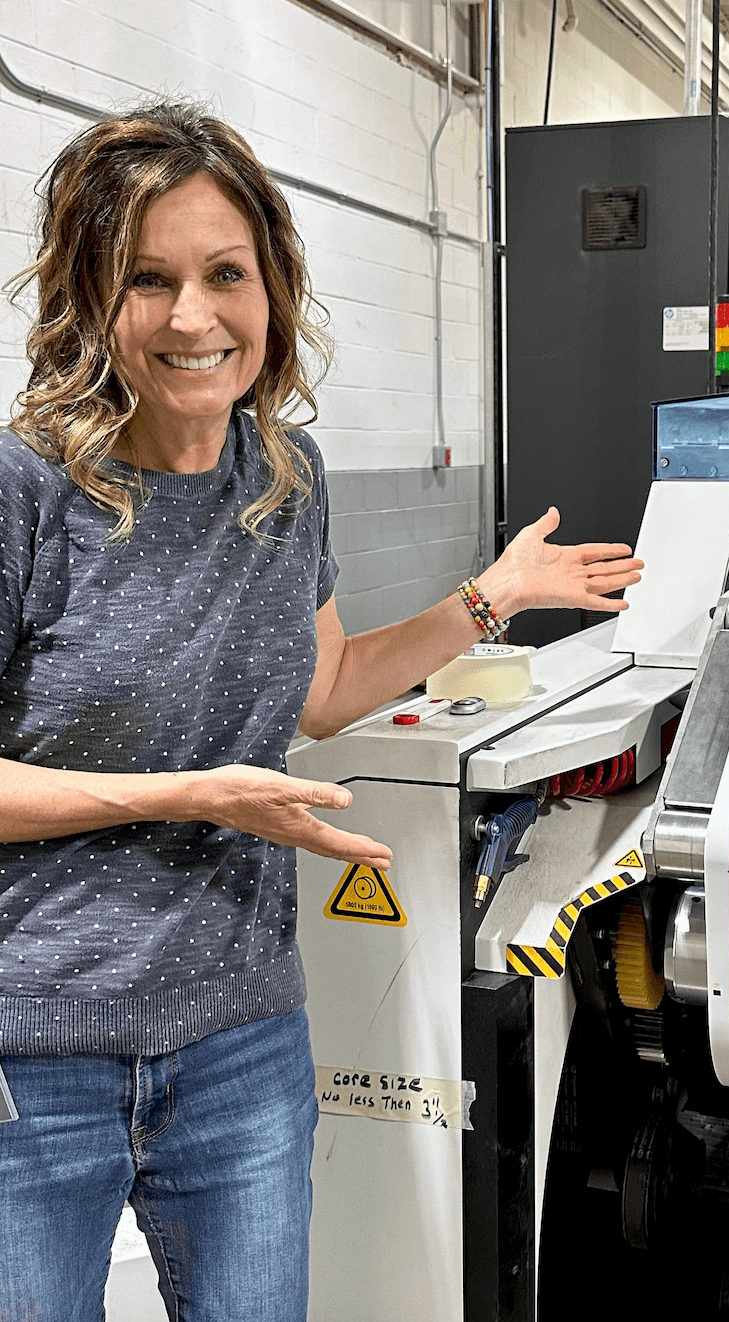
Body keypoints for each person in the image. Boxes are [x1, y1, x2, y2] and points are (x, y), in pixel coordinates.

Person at [0, 101, 643, 1322]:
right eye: (147, 279)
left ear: (272, 288)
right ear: (91, 296)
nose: (192, 317)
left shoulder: (286, 478)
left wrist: (491, 599)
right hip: (35, 1047)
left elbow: (323, 687)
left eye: (223, 274)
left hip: (240, 1035)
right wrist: (194, 794)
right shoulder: (25, 485)